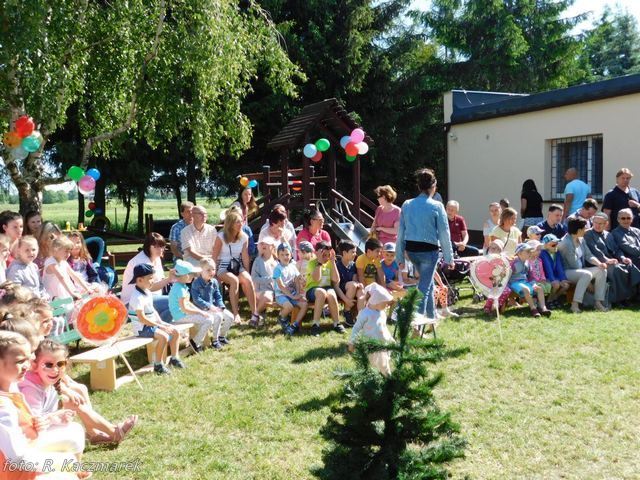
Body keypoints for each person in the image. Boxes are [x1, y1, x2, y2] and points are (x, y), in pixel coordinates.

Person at [0, 331, 89, 479]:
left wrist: (48, 420)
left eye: (28, 359)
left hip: (30, 446)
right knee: (67, 470)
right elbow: (17, 459)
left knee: (75, 432)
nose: (27, 366)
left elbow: (26, 424)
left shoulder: (11, 384)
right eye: (19, 361)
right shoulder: (3, 409)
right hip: (18, 473)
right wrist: (59, 462)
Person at [19, 339, 137, 444]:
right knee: (72, 401)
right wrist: (57, 417)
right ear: (34, 365)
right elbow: (33, 424)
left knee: (75, 396)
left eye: (60, 364)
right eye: (48, 365)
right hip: (34, 437)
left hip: (47, 421)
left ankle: (97, 433)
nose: (55, 370)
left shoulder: (45, 378)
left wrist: (66, 393)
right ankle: (113, 432)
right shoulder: (31, 391)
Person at [396, 168, 453, 320]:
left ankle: (431, 318)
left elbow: (400, 233)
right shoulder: (437, 206)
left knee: (428, 283)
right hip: (429, 252)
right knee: (424, 287)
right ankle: (417, 322)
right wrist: (449, 258)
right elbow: (444, 234)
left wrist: (399, 256)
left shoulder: (407, 204)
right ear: (433, 187)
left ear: (419, 186)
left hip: (411, 251)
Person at [129, 264, 185, 373]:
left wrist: (161, 322)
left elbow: (153, 310)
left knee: (175, 331)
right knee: (164, 336)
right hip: (142, 328)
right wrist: (159, 326)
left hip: (151, 324)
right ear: (139, 280)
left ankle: (174, 358)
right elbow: (142, 319)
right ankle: (158, 364)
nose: (153, 281)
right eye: (150, 278)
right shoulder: (137, 297)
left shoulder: (147, 292)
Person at [212, 208, 260, 326]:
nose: (241, 224)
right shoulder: (220, 236)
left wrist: (246, 272)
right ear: (230, 224)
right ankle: (235, 314)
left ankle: (254, 313)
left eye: (241, 221)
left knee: (248, 280)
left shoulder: (244, 237)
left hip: (237, 265)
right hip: (223, 266)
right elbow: (214, 256)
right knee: (234, 281)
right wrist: (213, 273)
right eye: (237, 222)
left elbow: (245, 256)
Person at [584, 212, 640, 305]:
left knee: (629, 266)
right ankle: (619, 299)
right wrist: (607, 260)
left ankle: (633, 295)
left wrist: (623, 258)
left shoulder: (608, 235)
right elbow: (594, 250)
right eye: (595, 222)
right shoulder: (588, 234)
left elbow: (617, 250)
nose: (597, 225)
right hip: (596, 262)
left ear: (606, 224)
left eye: (600, 223)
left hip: (612, 261)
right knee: (617, 269)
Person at [121, 233, 175, 322]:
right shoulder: (142, 263)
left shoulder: (156, 258)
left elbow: (160, 280)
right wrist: (169, 279)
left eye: (162, 246)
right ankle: (158, 327)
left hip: (149, 298)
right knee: (174, 302)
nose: (160, 249)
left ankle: (160, 327)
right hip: (133, 303)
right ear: (148, 247)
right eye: (156, 247)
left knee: (175, 303)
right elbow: (150, 287)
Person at [557, 218, 608, 313]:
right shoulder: (566, 243)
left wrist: (599, 263)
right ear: (579, 230)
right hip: (567, 271)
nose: (586, 230)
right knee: (586, 274)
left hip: (580, 270)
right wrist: (588, 283)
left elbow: (589, 255)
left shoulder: (581, 239)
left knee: (602, 270)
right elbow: (573, 265)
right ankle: (575, 305)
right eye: (585, 228)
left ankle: (598, 302)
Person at [347, 283, 395, 377]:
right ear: (376, 301)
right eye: (385, 303)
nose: (387, 305)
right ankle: (370, 379)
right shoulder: (365, 314)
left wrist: (390, 339)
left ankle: (388, 378)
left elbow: (383, 328)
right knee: (369, 365)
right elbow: (356, 329)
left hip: (382, 344)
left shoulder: (382, 313)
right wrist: (352, 342)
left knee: (384, 364)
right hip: (369, 345)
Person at [304, 241, 346, 336]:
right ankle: (315, 324)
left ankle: (336, 323)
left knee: (332, 294)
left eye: (328, 255)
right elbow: (316, 279)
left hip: (327, 288)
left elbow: (336, 279)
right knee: (321, 292)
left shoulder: (330, 263)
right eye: (324, 255)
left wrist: (333, 262)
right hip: (312, 290)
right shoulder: (312, 263)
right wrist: (319, 262)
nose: (326, 258)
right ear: (317, 254)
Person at [191, 259, 235, 347]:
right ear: (201, 270)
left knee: (230, 317)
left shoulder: (214, 281)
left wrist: (221, 306)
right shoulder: (196, 283)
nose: (211, 272)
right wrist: (210, 306)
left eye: (213, 269)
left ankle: (222, 336)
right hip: (202, 309)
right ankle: (215, 340)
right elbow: (196, 299)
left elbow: (218, 296)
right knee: (218, 316)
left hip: (214, 307)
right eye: (208, 270)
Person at [42, 237, 92, 302]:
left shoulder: (63, 262)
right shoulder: (51, 262)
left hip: (63, 290)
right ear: (56, 250)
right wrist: (72, 293)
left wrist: (87, 288)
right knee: (61, 306)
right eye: (66, 251)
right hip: (52, 294)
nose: (68, 254)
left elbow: (74, 275)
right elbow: (61, 277)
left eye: (69, 252)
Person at [508, 243, 551, 318]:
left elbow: (530, 276)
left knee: (539, 288)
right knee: (526, 289)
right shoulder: (514, 263)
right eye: (527, 251)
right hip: (514, 283)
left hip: (525, 282)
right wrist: (507, 286)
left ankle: (543, 307)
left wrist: (533, 284)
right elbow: (508, 275)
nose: (530, 253)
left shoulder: (527, 263)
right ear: (520, 253)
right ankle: (533, 309)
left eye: (530, 251)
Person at [273, 243, 308, 335]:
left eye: (287, 254)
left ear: (291, 255)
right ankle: (282, 318)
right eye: (282, 255)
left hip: (292, 294)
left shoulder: (293, 266)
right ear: (278, 256)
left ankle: (294, 325)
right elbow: (281, 286)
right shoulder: (277, 269)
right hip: (281, 295)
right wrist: (293, 296)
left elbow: (297, 280)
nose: (285, 257)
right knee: (289, 307)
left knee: (305, 304)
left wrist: (298, 292)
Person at [334, 240, 364, 326]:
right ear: (344, 253)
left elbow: (354, 279)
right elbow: (336, 287)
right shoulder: (337, 265)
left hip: (351, 289)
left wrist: (359, 284)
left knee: (360, 289)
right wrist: (346, 300)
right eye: (352, 252)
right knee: (353, 285)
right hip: (340, 291)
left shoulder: (353, 265)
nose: (355, 254)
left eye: (355, 252)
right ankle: (346, 311)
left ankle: (362, 317)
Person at [539, 234, 571, 307]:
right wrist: (552, 280)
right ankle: (549, 301)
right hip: (545, 277)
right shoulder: (543, 254)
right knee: (556, 285)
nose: (556, 246)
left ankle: (554, 298)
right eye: (553, 245)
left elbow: (559, 267)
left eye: (557, 244)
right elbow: (548, 268)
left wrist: (563, 279)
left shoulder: (557, 253)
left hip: (555, 276)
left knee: (566, 285)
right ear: (545, 245)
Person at [251, 238, 277, 317]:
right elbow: (254, 278)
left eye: (266, 243)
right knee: (267, 297)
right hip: (261, 290)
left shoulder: (277, 261)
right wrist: (269, 279)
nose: (264, 245)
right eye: (262, 243)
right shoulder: (258, 261)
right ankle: (256, 315)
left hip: (277, 291)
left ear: (272, 246)